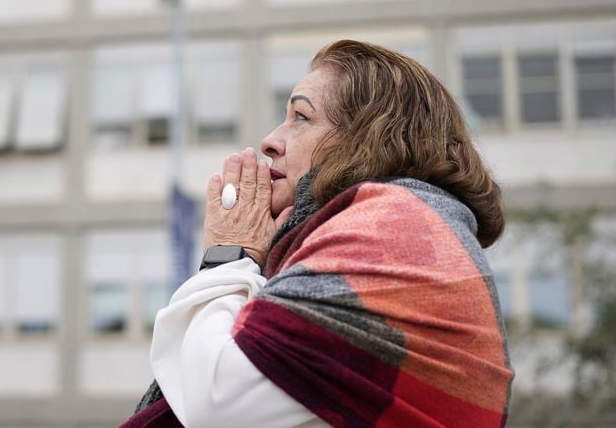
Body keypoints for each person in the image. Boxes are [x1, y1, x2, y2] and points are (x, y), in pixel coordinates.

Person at [121, 40, 514, 428]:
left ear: (368, 139)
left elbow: (215, 401)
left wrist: (230, 252)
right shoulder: (404, 225)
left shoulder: (393, 227)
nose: (270, 141)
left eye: (301, 117)